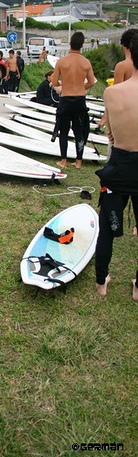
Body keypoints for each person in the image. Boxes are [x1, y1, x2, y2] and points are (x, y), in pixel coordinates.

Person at [94, 33, 138, 299]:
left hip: (119, 166)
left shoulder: (111, 92)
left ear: (129, 55)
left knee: (107, 231)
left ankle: (101, 283)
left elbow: (111, 134)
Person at [52, 31, 96, 169]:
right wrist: (80, 86)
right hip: (80, 99)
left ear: (70, 44)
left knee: (63, 130)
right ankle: (78, 161)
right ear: (82, 45)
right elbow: (92, 82)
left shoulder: (62, 61)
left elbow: (54, 82)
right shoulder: (86, 62)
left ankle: (63, 160)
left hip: (66, 99)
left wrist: (63, 85)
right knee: (79, 131)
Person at [98, 29, 138, 129]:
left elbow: (115, 98)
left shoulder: (122, 66)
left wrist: (104, 119)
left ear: (124, 45)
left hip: (125, 114)